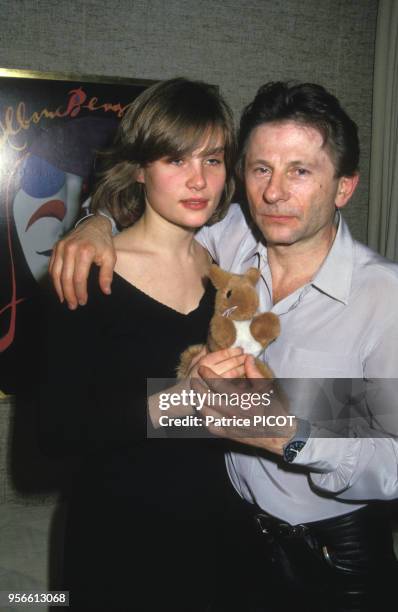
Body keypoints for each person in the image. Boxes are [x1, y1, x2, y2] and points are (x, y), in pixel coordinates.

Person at [48, 81, 398, 611]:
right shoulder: (226, 236)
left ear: (344, 187)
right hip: (226, 541)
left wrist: (293, 438)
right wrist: (93, 221)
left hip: (329, 556)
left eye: (300, 171)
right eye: (260, 169)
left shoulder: (385, 298)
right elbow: (151, 193)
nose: (274, 193)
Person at [39, 77, 255, 611]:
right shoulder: (84, 270)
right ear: (140, 167)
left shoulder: (230, 282)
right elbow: (52, 436)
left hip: (221, 541)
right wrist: (174, 400)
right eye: (175, 160)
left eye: (212, 159)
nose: (198, 180)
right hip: (117, 545)